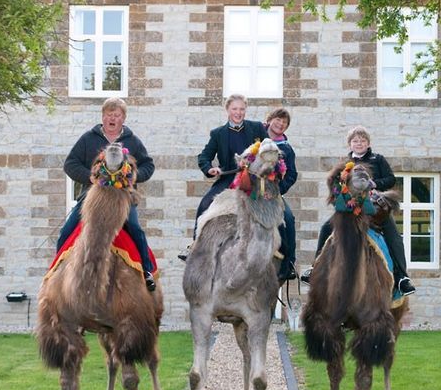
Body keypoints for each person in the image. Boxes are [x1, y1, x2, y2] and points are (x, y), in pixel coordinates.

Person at [300, 125, 416, 296]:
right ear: (350, 144)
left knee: (394, 237)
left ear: (368, 143)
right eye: (355, 140)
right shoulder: (344, 163)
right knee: (326, 228)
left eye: (362, 140)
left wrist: (376, 184)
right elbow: (335, 184)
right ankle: (315, 268)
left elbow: (391, 179)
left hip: (374, 208)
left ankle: (401, 278)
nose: (359, 143)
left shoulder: (378, 159)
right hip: (349, 208)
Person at [56, 97, 157, 292]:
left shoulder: (133, 141)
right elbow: (70, 164)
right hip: (93, 197)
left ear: (123, 118)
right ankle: (58, 271)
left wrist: (134, 177)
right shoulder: (88, 139)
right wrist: (89, 177)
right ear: (103, 117)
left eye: (116, 115)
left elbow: (148, 165)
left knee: (135, 228)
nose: (112, 118)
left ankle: (146, 271)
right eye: (109, 114)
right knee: (66, 232)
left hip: (123, 197)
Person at [178, 93, 268, 260]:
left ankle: (286, 258)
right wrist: (210, 169)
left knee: (287, 216)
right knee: (205, 204)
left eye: (242, 109)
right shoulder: (218, 133)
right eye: (234, 108)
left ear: (246, 110)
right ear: (227, 110)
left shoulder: (257, 128)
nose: (238, 112)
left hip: (254, 180)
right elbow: (204, 157)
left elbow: (270, 151)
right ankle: (194, 245)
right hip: (228, 179)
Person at [265, 108, 298, 281]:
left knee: (289, 218)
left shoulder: (287, 149)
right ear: (270, 119)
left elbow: (292, 174)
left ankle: (290, 263)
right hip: (250, 192)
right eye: (278, 119)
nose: (281, 124)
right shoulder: (254, 138)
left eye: (285, 123)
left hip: (274, 194)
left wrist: (277, 190)